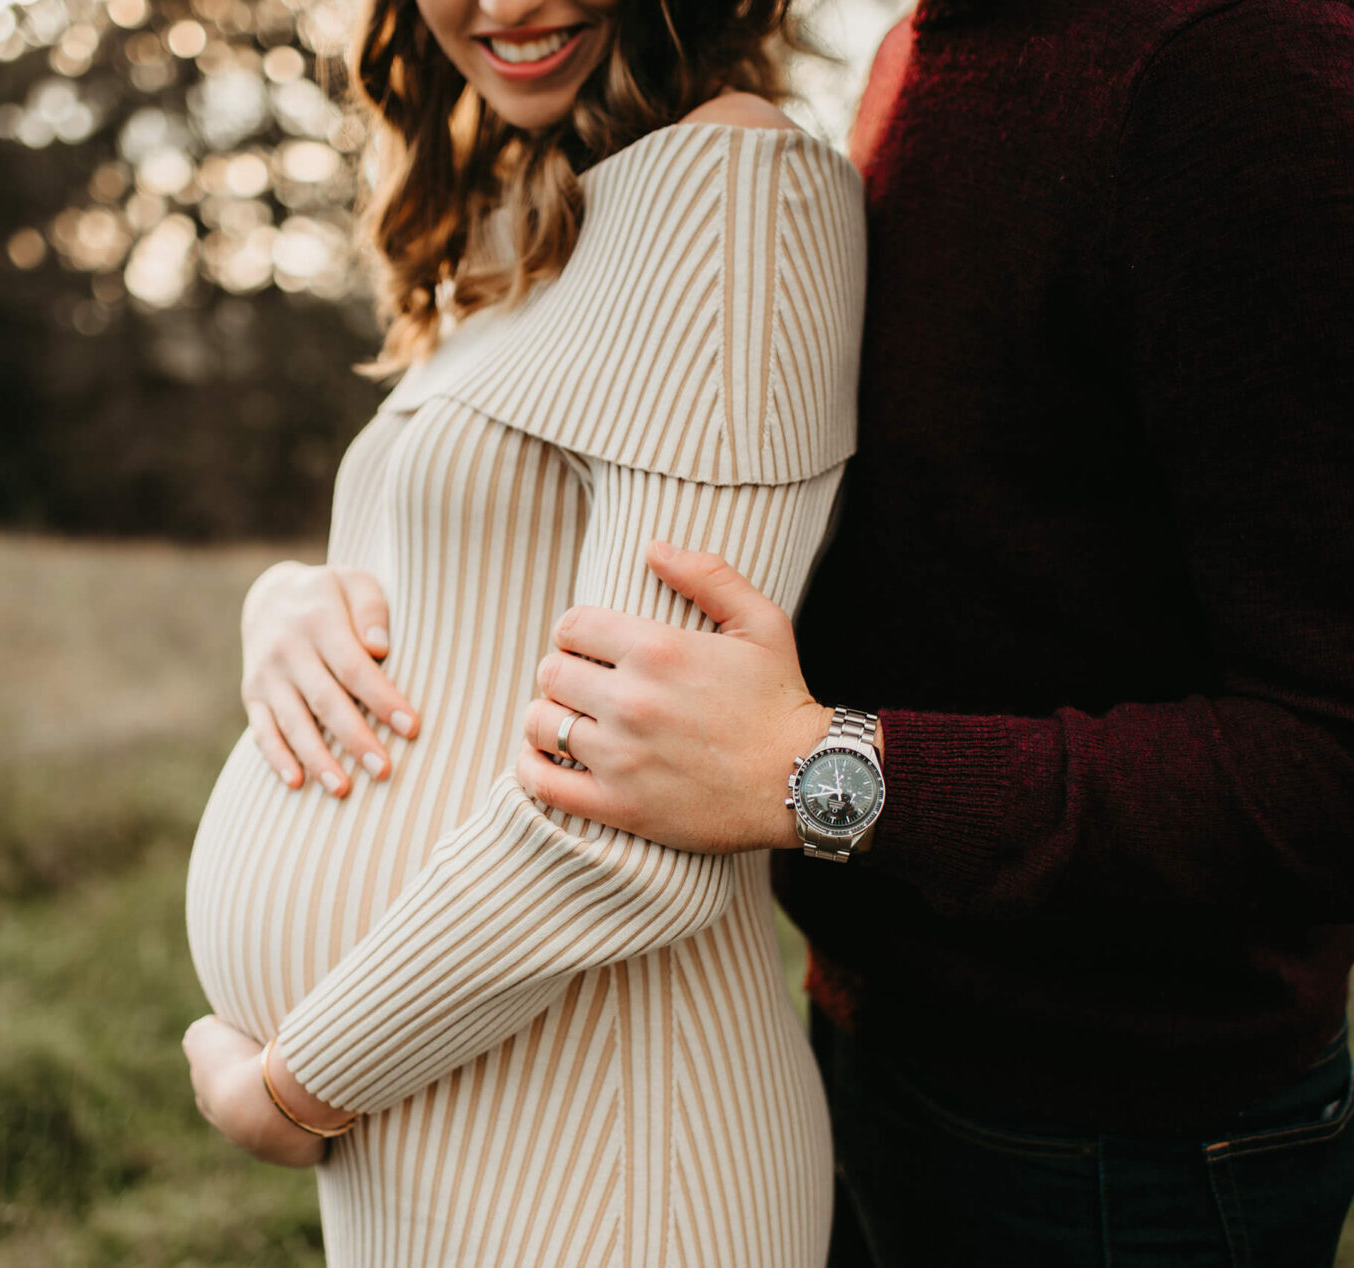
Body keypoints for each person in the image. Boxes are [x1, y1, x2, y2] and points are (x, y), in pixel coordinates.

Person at [506, 0, 1354, 1264]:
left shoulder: (1233, 66)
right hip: (872, 1047)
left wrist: (821, 771)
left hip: (1122, 1152)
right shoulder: (922, 48)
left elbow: (1325, 757)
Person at [178, 0, 865, 1261]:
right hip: (452, 1132)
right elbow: (463, 587)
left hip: (604, 1158)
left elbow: (642, 806)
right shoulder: (543, 205)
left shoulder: (734, 195)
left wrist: (294, 1084)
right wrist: (285, 599)